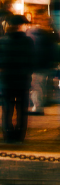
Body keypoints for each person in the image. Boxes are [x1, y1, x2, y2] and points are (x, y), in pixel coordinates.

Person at [0, 15, 34, 143]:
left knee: (7, 108)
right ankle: (20, 134)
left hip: (7, 79)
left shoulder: (2, 40)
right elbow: (32, 60)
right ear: (20, 26)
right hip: (23, 79)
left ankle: (8, 134)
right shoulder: (28, 41)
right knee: (21, 109)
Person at [27, 10, 59, 115]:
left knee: (36, 86)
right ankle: (40, 104)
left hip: (37, 63)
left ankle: (38, 107)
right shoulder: (50, 34)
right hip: (44, 63)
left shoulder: (35, 32)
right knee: (40, 86)